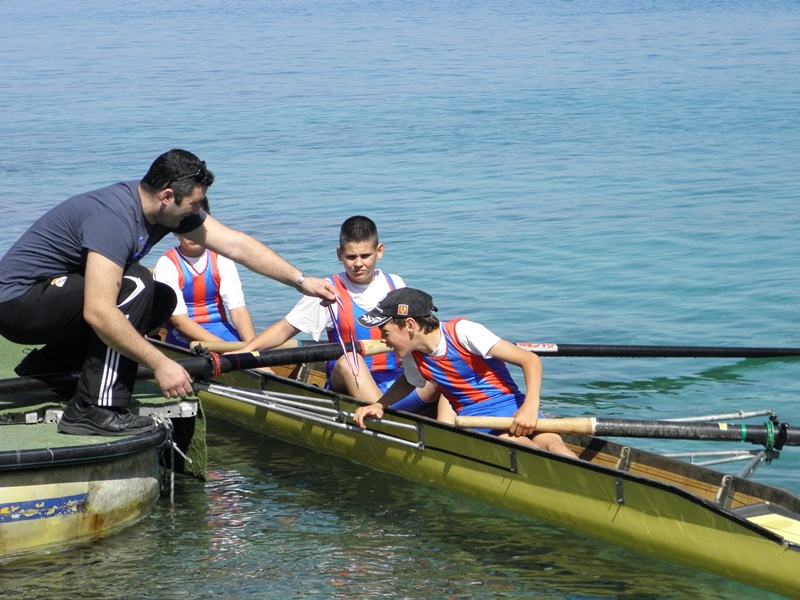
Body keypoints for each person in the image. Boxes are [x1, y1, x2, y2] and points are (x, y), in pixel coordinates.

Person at [0, 149, 336, 436]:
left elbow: (236, 245)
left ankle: (48, 368)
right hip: (19, 304)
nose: (197, 211)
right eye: (193, 203)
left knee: (160, 299)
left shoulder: (168, 212)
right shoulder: (115, 219)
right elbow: (98, 312)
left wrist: (300, 280)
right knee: (136, 283)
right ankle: (93, 408)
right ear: (166, 196)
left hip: (50, 300)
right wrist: (161, 364)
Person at [238, 215, 436, 410]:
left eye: (365, 256)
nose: (358, 263)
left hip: (394, 383)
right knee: (351, 361)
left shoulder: (395, 285)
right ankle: (384, 417)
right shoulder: (328, 290)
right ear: (339, 254)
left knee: (445, 369)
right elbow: (284, 329)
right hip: (348, 382)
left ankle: (442, 423)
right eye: (351, 257)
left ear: (379, 251)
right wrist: (244, 352)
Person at [352, 288, 577, 458]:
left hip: (516, 407)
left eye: (385, 332)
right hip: (476, 419)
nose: (382, 340)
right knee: (524, 447)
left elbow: (530, 360)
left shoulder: (463, 332)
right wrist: (379, 405)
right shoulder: (413, 354)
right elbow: (409, 382)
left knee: (555, 445)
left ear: (410, 325)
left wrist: (530, 406)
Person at [154, 197, 256, 348]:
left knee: (250, 352)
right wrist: (222, 347)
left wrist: (253, 346)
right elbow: (179, 321)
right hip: (183, 332)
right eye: (185, 226)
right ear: (175, 230)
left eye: (197, 225)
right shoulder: (167, 264)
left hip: (220, 328)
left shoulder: (221, 259)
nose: (192, 233)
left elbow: (238, 310)